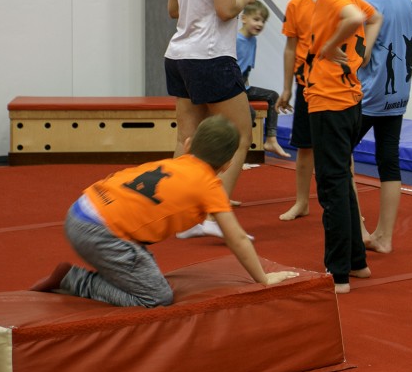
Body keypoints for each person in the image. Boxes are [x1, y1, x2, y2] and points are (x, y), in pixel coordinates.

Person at [30, 116, 299, 307]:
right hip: (101, 232)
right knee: (156, 297)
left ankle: (121, 266)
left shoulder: (172, 164)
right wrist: (263, 278)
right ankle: (76, 281)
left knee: (141, 260)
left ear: (188, 145)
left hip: (80, 209)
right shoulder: (209, 186)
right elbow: (237, 238)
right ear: (227, 165)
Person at [164, 0, 257, 238]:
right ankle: (215, 217)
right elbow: (225, 9)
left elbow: (173, 10)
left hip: (179, 56)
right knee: (241, 135)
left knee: (187, 138)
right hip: (210, 56)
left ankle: (178, 213)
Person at [297, 0, 383, 293]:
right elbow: (373, 17)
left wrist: (331, 46)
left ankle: (338, 274)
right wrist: (363, 54)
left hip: (330, 102)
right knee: (342, 183)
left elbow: (356, 19)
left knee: (331, 188)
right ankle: (357, 262)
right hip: (347, 101)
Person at [356, 0, 412, 252]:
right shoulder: (408, 2)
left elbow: (362, 55)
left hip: (369, 93)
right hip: (398, 94)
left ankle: (358, 227)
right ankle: (384, 237)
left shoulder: (368, 4)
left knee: (338, 155)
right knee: (388, 160)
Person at [276, 0, 316, 221]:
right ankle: (302, 202)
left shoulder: (341, 0)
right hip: (305, 84)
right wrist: (286, 88)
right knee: (304, 146)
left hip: (333, 86)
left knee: (341, 150)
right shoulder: (296, 5)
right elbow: (290, 48)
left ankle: (350, 206)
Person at [236, 0, 291, 160]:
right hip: (232, 89)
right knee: (249, 113)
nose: (260, 24)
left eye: (263, 21)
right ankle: (237, 153)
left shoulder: (253, 40)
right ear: (244, 18)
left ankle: (271, 140)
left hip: (243, 87)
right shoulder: (235, 39)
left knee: (273, 96)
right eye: (256, 19)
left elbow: (246, 69)